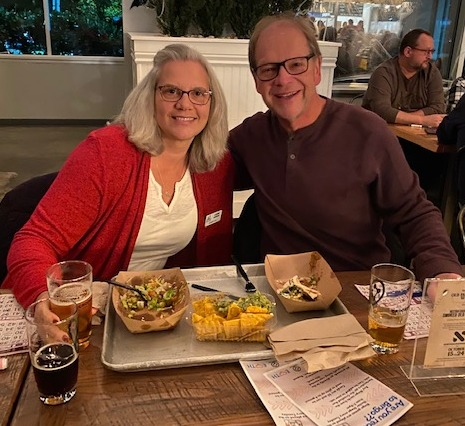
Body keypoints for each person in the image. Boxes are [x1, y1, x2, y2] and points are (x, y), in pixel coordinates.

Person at [228, 12, 462, 295]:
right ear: (256, 81)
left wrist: (442, 270)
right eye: (268, 69)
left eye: (296, 65)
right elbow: (200, 169)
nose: (282, 79)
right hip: (282, 295)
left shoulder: (368, 131)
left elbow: (413, 211)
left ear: (316, 69)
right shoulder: (252, 137)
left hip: (357, 292)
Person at [2, 43, 233, 308]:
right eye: (171, 91)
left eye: (198, 93)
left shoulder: (215, 164)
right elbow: (33, 240)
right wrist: (44, 300)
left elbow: (210, 258)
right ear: (150, 98)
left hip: (151, 308)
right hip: (82, 305)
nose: (185, 103)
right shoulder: (106, 153)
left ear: (212, 103)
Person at [362, 28, 446, 128]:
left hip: (414, 135)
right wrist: (422, 120)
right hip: (379, 133)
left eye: (432, 51)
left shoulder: (432, 72)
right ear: (408, 52)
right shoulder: (384, 73)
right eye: (426, 51)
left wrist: (404, 119)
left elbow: (438, 107)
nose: (430, 56)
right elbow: (382, 110)